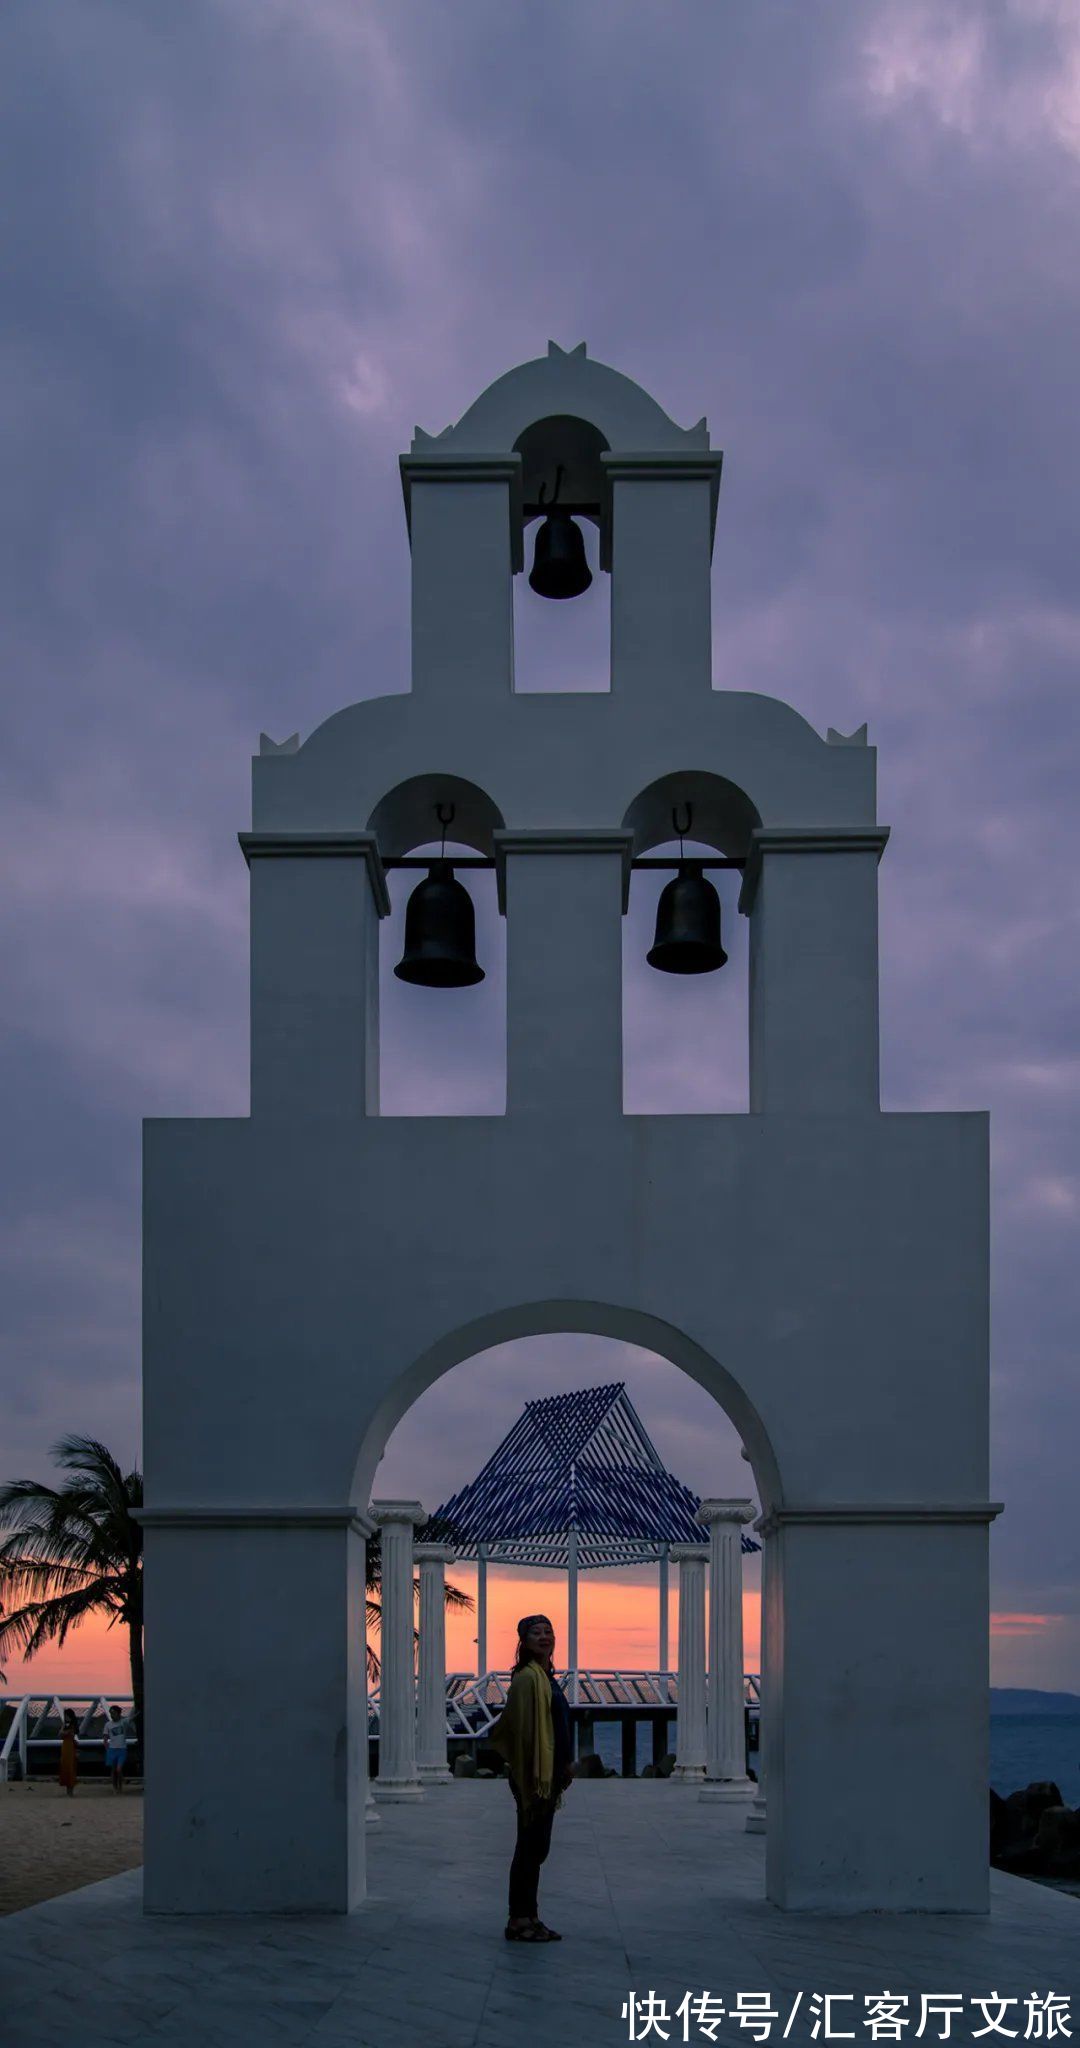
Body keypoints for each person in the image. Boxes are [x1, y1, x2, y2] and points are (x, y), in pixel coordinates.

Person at [487, 1614, 573, 1943]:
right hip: (534, 1776)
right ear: (523, 1640)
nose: (544, 1636)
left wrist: (565, 1764)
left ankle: (531, 1915)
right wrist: (534, 1775)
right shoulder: (526, 1679)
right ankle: (517, 1919)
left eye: (548, 1631)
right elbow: (520, 1731)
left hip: (549, 1774)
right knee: (528, 1847)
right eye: (535, 1632)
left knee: (538, 1848)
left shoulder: (546, 1677)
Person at [103, 1704, 130, 1793]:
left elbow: (133, 1717)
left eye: (114, 1713)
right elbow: (105, 1737)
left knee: (119, 1769)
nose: (112, 1715)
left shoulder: (123, 1722)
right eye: (111, 1713)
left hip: (122, 1749)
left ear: (118, 1713)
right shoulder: (108, 1724)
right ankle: (115, 1787)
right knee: (113, 1770)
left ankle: (120, 1786)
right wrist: (106, 1745)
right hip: (112, 1749)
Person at [58, 1709, 78, 1796]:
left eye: (66, 1715)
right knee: (65, 1765)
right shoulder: (65, 1725)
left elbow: (65, 1733)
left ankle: (71, 1790)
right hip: (65, 1746)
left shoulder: (73, 1725)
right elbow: (60, 1734)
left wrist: (64, 1731)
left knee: (70, 1767)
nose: (65, 1717)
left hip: (70, 1746)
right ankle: (68, 1789)